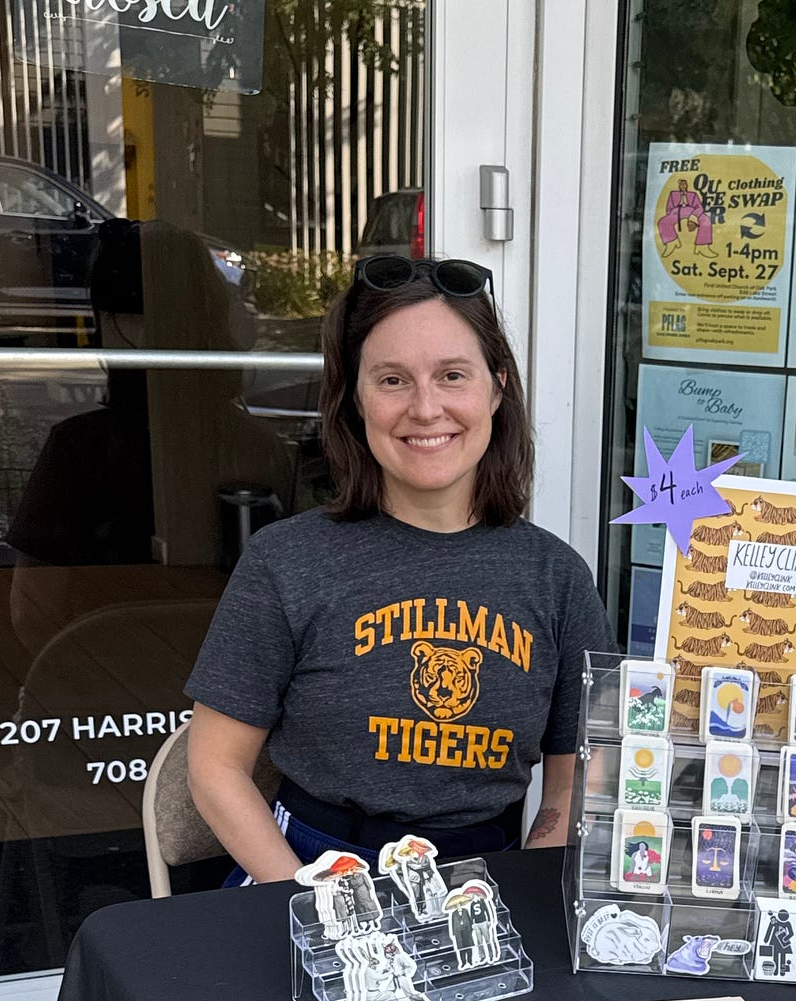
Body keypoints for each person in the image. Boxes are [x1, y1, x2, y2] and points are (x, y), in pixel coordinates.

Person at [185, 255, 616, 878]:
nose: (425, 408)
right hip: (305, 868)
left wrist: (528, 891)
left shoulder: (557, 578)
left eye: (452, 375)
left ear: (496, 388)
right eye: (392, 380)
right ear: (354, 399)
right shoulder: (285, 562)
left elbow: (577, 779)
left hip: (487, 878)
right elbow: (215, 767)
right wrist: (308, 898)